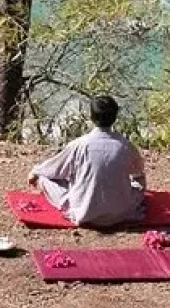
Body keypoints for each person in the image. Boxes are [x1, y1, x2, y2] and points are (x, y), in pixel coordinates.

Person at [27, 94, 147, 227]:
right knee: (139, 181)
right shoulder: (126, 146)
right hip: (121, 213)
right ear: (114, 118)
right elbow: (138, 172)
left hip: (84, 212)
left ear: (92, 117)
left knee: (44, 178)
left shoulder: (79, 145)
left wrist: (36, 171)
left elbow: (54, 170)